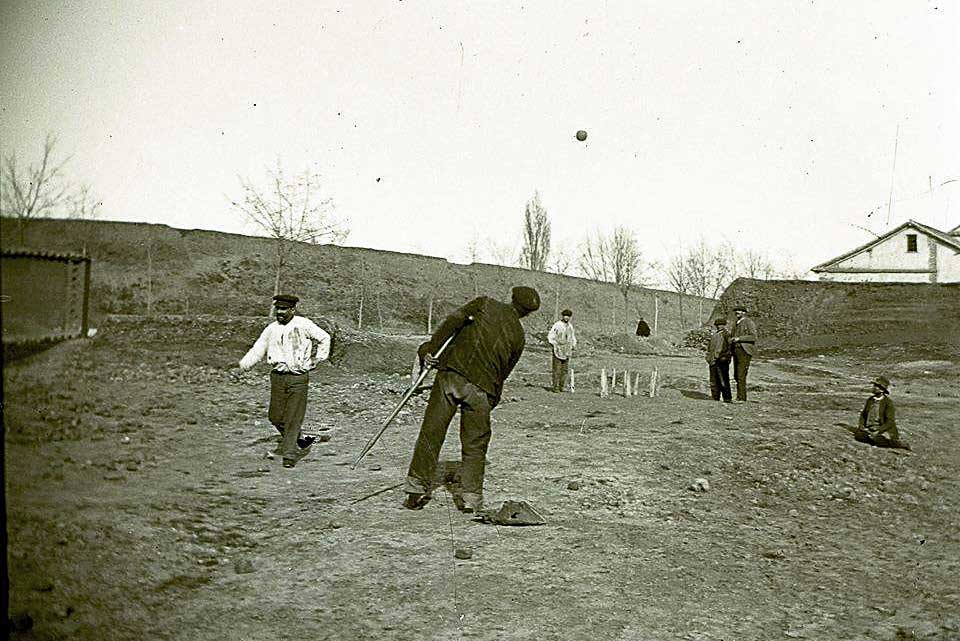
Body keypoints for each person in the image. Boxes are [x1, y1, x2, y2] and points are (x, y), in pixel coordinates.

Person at [402, 286, 541, 513]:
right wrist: (491, 400)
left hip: (451, 376)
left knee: (432, 431)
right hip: (482, 390)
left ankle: (415, 488)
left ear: (511, 297)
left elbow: (451, 323)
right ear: (528, 313)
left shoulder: (484, 303)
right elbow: (503, 373)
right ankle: (471, 499)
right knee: (476, 443)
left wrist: (430, 349)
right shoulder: (519, 336)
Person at [238, 294, 331, 469]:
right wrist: (242, 366)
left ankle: (289, 454)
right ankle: (302, 439)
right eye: (277, 309)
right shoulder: (271, 329)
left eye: (284, 309)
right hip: (278, 377)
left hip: (298, 377)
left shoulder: (304, 324)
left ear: (292, 310)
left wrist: (318, 359)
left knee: (293, 417)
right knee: (275, 416)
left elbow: (324, 338)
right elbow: (258, 349)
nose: (280, 313)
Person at [854, 376, 910, 450]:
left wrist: (878, 431)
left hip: (883, 429)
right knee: (858, 436)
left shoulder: (888, 402)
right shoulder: (870, 400)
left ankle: (898, 443)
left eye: (876, 386)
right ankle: (873, 439)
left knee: (878, 439)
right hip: (870, 429)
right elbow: (863, 414)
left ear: (882, 390)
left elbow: (890, 422)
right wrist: (862, 427)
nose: (873, 387)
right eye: (874, 385)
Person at [729, 305, 758, 402]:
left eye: (740, 311)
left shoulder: (748, 322)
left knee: (741, 374)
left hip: (744, 351)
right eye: (736, 310)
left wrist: (739, 339)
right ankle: (739, 396)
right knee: (736, 375)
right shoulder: (735, 323)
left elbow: (753, 337)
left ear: (744, 312)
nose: (737, 312)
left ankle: (741, 398)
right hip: (736, 351)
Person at [547, 309, 577, 392]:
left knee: (564, 370)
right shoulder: (557, 325)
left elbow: (572, 337)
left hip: (567, 350)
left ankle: (561, 386)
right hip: (558, 349)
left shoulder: (570, 326)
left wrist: (573, 345)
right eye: (565, 316)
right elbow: (551, 336)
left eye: (568, 316)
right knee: (557, 369)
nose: (566, 318)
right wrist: (555, 344)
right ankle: (555, 387)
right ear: (562, 316)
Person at [705, 318, 732, 403]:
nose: (719, 326)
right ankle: (715, 397)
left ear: (724, 325)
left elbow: (730, 348)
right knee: (713, 380)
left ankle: (727, 398)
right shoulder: (714, 335)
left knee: (723, 380)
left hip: (722, 360)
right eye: (717, 325)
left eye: (721, 325)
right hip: (713, 360)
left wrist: (725, 357)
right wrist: (709, 357)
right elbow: (710, 348)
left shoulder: (726, 335)